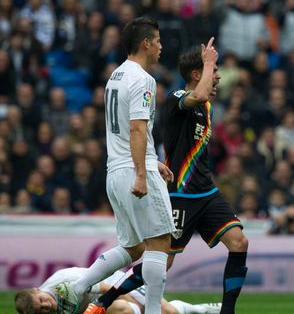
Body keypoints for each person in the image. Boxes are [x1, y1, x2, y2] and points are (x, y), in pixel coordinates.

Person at [83, 39, 250, 313]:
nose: (217, 76)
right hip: (180, 194)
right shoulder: (177, 99)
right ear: (197, 74)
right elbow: (197, 95)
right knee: (162, 261)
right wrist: (208, 60)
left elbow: (203, 100)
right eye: (213, 70)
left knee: (239, 242)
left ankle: (227, 311)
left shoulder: (206, 108)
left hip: (206, 192)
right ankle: (105, 298)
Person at [71, 17, 175, 314]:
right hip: (133, 171)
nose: (160, 47)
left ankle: (78, 287)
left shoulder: (115, 76)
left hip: (114, 171)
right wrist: (144, 172)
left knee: (133, 247)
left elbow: (125, 130)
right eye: (157, 41)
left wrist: (152, 161)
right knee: (159, 242)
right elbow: (137, 129)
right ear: (145, 43)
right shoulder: (143, 79)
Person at [14, 267, 221, 314]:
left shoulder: (66, 284)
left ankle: (204, 309)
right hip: (96, 307)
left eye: (40, 300)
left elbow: (109, 288)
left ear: (36, 289)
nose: (45, 306)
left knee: (165, 312)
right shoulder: (43, 310)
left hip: (117, 284)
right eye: (39, 310)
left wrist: (141, 304)